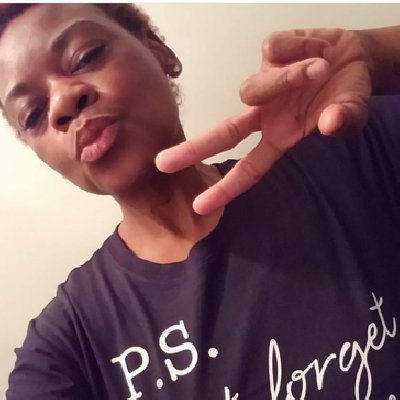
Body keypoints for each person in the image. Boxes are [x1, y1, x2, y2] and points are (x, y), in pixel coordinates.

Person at [2, 3, 400, 399]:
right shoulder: (67, 347)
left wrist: (375, 55)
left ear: (158, 51)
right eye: (33, 114)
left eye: (85, 57)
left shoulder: (347, 147)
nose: (62, 103)